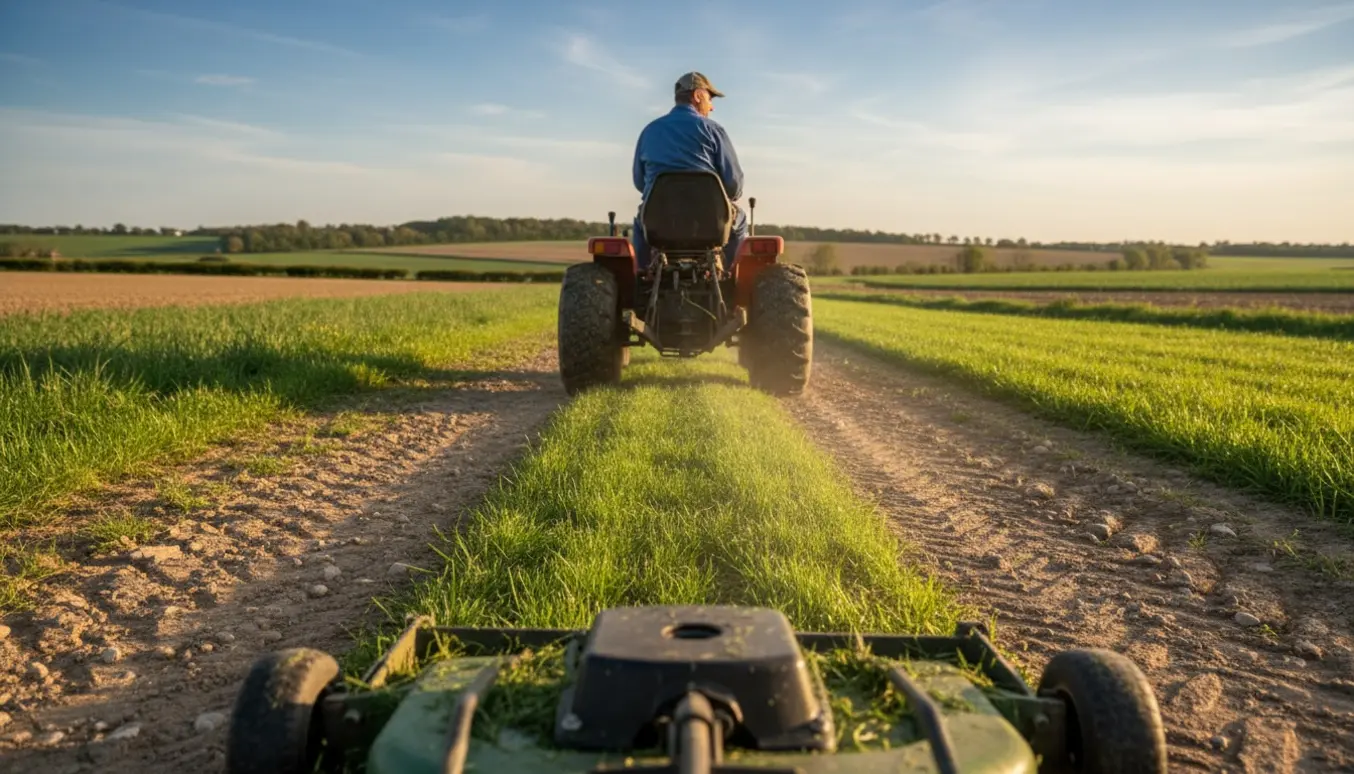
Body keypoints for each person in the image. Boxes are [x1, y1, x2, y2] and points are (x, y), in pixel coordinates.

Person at [630, 71, 747, 274]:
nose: (712, 106)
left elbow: (640, 183)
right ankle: (728, 275)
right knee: (741, 217)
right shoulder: (713, 130)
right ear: (698, 96)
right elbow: (733, 185)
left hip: (660, 219)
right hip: (710, 221)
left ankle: (642, 274)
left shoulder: (649, 131)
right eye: (710, 99)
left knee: (641, 221)